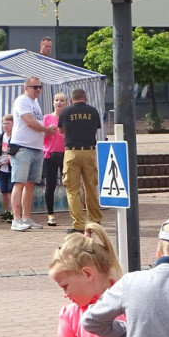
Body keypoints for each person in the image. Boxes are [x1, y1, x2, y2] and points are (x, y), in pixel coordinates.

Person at [9, 76, 55, 231]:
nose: (38, 90)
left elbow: (36, 122)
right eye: (35, 87)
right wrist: (46, 129)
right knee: (19, 182)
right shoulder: (22, 100)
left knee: (30, 184)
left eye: (40, 87)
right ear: (26, 87)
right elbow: (29, 121)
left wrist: (47, 129)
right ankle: (16, 219)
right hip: (22, 146)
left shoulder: (35, 103)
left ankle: (26, 217)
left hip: (36, 147)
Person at [58, 88, 103, 233]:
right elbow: (95, 130)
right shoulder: (93, 111)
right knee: (90, 188)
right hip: (89, 151)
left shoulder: (65, 112)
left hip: (72, 152)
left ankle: (78, 224)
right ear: (86, 98)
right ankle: (95, 222)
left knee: (72, 190)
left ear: (71, 100)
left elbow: (61, 131)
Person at [43, 93, 67, 228]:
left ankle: (74, 212)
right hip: (50, 154)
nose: (59, 103)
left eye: (61, 100)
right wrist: (47, 131)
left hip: (66, 153)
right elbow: (40, 135)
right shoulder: (47, 118)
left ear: (66, 103)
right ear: (53, 103)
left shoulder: (68, 117)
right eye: (56, 100)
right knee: (50, 185)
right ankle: (50, 215)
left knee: (69, 184)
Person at [0, 114, 14, 219]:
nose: (5, 126)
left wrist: (9, 159)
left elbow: (17, 151)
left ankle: (13, 212)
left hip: (12, 167)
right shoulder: (0, 138)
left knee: (11, 190)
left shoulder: (15, 137)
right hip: (2, 168)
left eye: (8, 123)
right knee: (4, 190)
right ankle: (6, 211)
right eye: (4, 123)